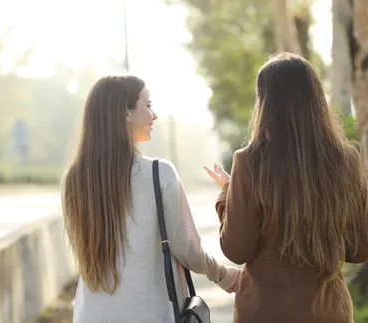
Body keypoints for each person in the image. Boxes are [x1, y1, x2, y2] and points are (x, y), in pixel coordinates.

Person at [204, 53, 368, 323]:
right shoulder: (346, 160)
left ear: (266, 104)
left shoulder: (250, 161)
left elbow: (237, 249)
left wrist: (227, 192)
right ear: (316, 100)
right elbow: (362, 248)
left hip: (265, 313)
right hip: (328, 313)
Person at [61, 74, 241, 323]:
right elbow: (187, 249)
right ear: (126, 113)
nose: (154, 116)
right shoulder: (158, 173)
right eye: (148, 105)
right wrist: (224, 276)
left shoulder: (72, 180)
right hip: (149, 314)